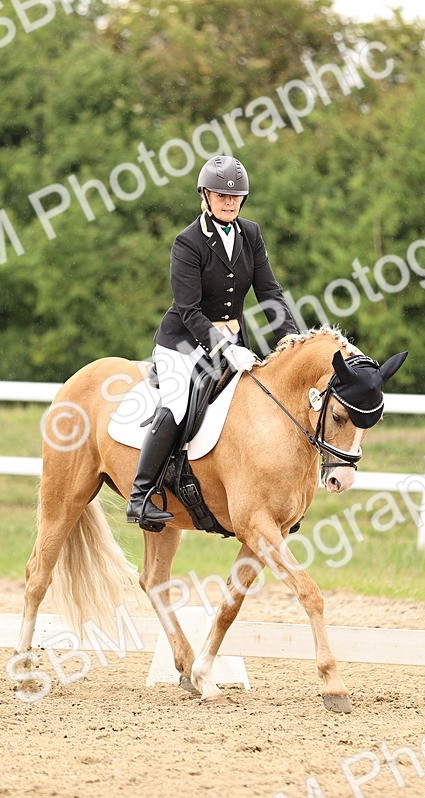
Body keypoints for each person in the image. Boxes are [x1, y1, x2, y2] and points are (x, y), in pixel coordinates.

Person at [125, 155, 300, 530]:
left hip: (235, 341)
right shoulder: (187, 243)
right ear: (204, 195)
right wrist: (223, 346)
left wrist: (290, 341)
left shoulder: (250, 234)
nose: (228, 202)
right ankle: (141, 495)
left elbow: (269, 291)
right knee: (177, 402)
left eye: (235, 197)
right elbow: (188, 309)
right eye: (220, 195)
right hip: (184, 344)